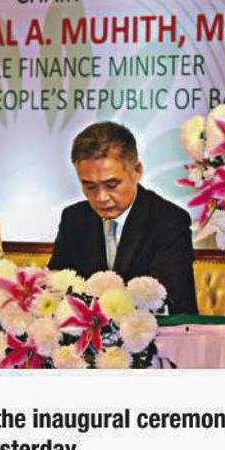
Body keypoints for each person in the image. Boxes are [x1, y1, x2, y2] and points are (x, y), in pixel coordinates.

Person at [50, 122, 198, 315]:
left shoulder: (170, 220)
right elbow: (57, 284)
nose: (101, 197)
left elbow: (162, 299)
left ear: (137, 171)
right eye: (89, 186)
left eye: (111, 185)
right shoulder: (73, 219)